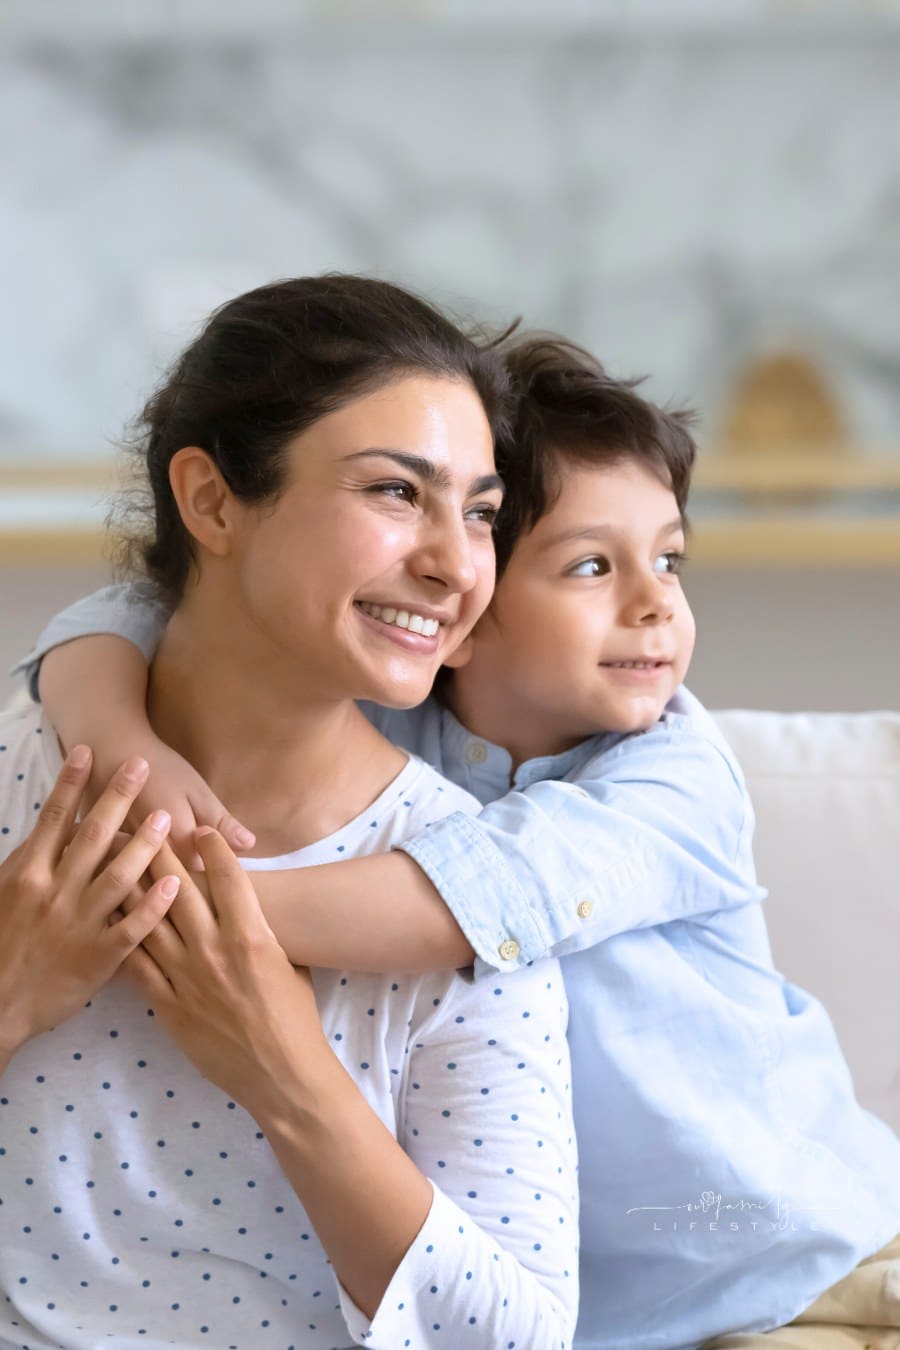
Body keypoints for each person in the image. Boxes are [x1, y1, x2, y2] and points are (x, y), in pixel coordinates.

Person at [19, 334, 900, 1350]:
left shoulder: (674, 778)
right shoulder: (386, 712)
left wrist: (148, 895)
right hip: (600, 1315)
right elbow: (131, 610)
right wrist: (122, 739)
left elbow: (477, 897)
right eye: (592, 565)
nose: (657, 600)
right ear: (465, 613)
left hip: (796, 1266)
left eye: (668, 558)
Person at [0, 275, 580, 1350]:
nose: (455, 564)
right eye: (396, 492)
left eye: (480, 512)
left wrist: (288, 1076)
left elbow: (523, 1335)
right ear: (212, 501)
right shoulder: (20, 765)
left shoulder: (458, 895)